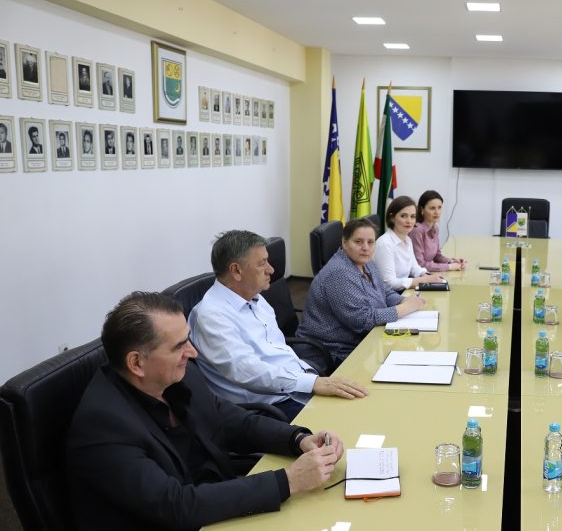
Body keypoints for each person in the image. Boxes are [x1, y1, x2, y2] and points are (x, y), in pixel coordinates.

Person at [66, 292, 344, 530]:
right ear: (136, 363)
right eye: (179, 346)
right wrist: (289, 481)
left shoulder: (178, 375)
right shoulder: (102, 426)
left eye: (187, 339)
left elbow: (230, 419)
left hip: (217, 507)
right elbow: (176, 505)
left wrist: (297, 439)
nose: (193, 352)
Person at [189, 230, 368, 421]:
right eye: (262, 263)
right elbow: (246, 371)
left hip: (295, 383)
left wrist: (311, 380)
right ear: (236, 271)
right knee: (353, 421)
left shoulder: (255, 298)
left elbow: (277, 349)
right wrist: (311, 383)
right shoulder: (211, 315)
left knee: (365, 403)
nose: (271, 270)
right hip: (268, 406)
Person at [297, 218, 427, 368]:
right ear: (344, 242)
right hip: (332, 351)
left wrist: (403, 300)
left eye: (371, 242)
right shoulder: (339, 273)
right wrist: (405, 308)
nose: (365, 247)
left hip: (362, 340)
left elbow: (383, 290)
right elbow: (363, 321)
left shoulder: (366, 262)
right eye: (358, 242)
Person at [373, 195, 445, 291]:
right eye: (403, 216)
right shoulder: (385, 244)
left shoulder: (407, 240)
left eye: (412, 217)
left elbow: (415, 268)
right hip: (390, 295)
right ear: (392, 217)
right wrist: (422, 280)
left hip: (404, 291)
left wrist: (428, 276)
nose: (409, 221)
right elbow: (389, 283)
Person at [409, 190, 467, 272]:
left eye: (439, 207)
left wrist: (451, 261)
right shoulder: (417, 231)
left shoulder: (435, 228)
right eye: (432, 208)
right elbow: (420, 264)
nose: (437, 212)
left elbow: (437, 256)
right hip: (415, 276)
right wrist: (449, 267)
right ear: (422, 209)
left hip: (427, 274)